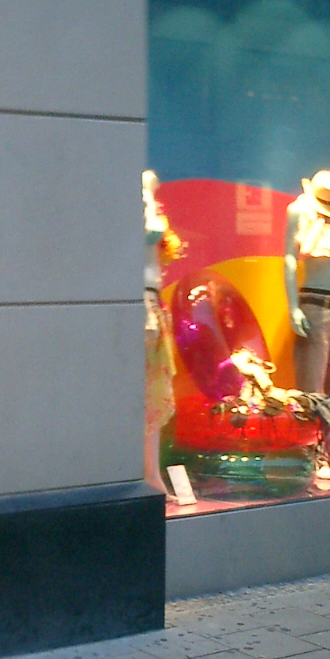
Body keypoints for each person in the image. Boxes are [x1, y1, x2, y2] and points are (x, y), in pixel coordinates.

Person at [283, 170, 330, 478]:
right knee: (311, 386)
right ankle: (312, 454)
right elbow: (290, 258)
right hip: (314, 302)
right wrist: (293, 307)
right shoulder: (299, 210)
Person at [142, 171, 182, 497]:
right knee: (144, 391)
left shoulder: (148, 204)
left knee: (153, 393)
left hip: (151, 301)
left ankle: (151, 472)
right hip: (139, 303)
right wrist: (147, 195)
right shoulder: (142, 202)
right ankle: (146, 473)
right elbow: (151, 231)